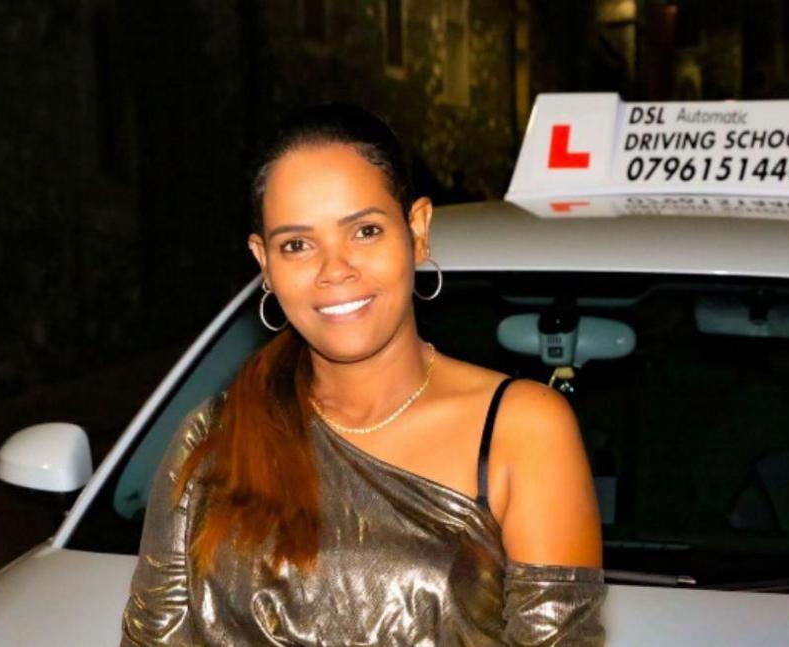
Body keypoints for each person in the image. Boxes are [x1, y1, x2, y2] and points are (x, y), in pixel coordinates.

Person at [121, 104, 606, 645]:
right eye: (297, 245)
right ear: (264, 261)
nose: (334, 270)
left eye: (365, 231)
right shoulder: (214, 437)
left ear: (417, 229)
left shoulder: (522, 429)